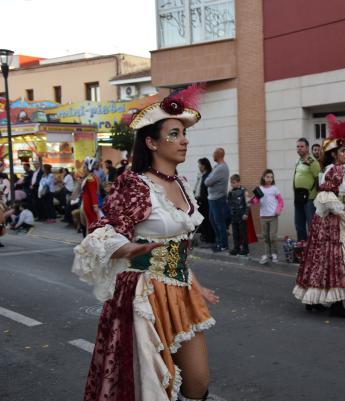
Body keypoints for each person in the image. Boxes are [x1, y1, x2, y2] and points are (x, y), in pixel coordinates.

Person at [72, 84, 219, 401]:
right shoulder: (136, 185)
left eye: (183, 134)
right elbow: (102, 231)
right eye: (174, 134)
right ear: (151, 141)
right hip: (144, 294)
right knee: (152, 385)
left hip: (180, 292)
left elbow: (178, 250)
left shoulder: (181, 184)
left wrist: (195, 283)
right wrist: (128, 249)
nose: (184, 140)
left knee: (197, 382)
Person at [294, 114, 345, 318]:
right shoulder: (336, 170)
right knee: (333, 260)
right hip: (329, 224)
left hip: (322, 223)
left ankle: (312, 301)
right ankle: (337, 306)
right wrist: (343, 216)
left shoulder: (332, 169)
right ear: (335, 155)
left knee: (319, 260)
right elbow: (324, 196)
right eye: (343, 151)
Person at [250, 169, 284, 264]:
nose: (269, 179)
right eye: (267, 177)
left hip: (273, 216)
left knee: (272, 236)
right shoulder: (260, 189)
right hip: (263, 216)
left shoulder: (275, 189)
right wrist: (251, 200)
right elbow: (256, 201)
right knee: (266, 237)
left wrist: (278, 210)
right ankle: (267, 254)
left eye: (271, 177)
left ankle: (274, 254)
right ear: (263, 178)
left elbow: (281, 201)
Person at [293, 138, 320, 241]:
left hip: (310, 199)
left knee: (311, 226)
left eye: (301, 146)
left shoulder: (312, 162)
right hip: (298, 198)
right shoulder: (298, 161)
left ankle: (313, 251)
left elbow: (318, 179)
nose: (299, 149)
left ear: (307, 148)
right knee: (299, 225)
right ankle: (302, 250)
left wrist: (318, 197)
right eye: (298, 146)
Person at [204, 148, 230, 252]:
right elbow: (208, 180)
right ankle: (219, 242)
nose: (212, 156)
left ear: (218, 155)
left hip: (217, 198)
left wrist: (209, 179)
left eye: (214, 154)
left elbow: (207, 182)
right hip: (213, 198)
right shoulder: (217, 167)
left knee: (219, 222)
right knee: (213, 220)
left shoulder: (221, 168)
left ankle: (223, 244)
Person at [193, 158, 215, 245]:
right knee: (202, 220)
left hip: (205, 201)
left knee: (207, 220)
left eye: (200, 165)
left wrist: (201, 198)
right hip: (199, 200)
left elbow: (206, 189)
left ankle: (210, 238)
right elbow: (198, 187)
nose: (198, 166)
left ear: (204, 166)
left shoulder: (208, 175)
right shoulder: (201, 175)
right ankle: (205, 236)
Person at [227, 174, 249, 256]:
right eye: (231, 183)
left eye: (234, 182)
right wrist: (229, 193)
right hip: (234, 215)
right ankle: (236, 248)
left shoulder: (244, 191)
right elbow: (228, 202)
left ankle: (245, 249)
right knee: (235, 233)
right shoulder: (231, 192)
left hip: (241, 215)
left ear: (239, 182)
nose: (232, 184)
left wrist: (246, 213)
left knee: (243, 233)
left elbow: (248, 203)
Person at [80, 157, 101, 236]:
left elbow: (93, 193)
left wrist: (95, 205)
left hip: (89, 204)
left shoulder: (90, 178)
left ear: (89, 168)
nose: (83, 169)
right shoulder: (89, 177)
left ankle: (92, 239)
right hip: (87, 203)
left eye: (84, 167)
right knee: (90, 222)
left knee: (92, 222)